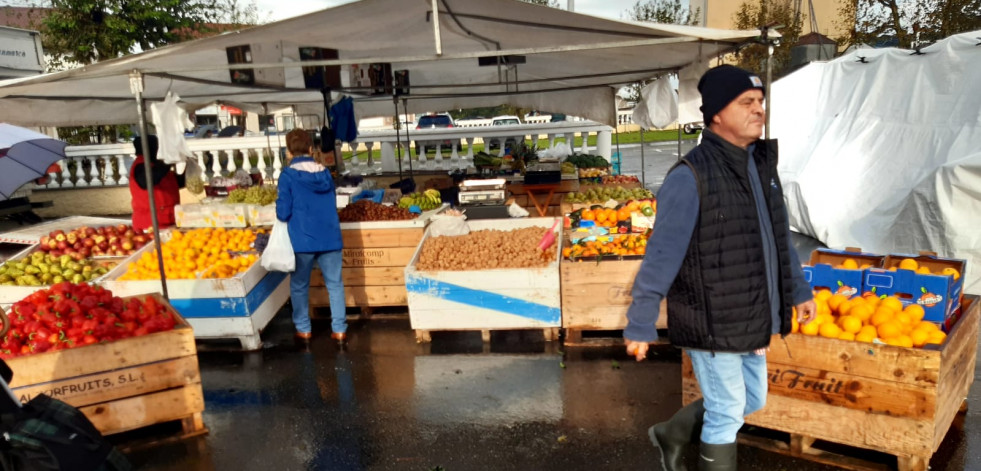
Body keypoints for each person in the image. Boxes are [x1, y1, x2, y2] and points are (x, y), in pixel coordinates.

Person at [623, 65, 817, 471]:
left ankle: (672, 433)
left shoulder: (761, 167)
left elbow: (778, 235)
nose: (758, 110)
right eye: (746, 103)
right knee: (728, 410)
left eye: (760, 102)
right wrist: (641, 322)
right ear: (716, 114)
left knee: (752, 400)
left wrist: (797, 290)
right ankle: (687, 443)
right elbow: (662, 255)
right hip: (711, 316)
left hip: (750, 311)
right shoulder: (691, 175)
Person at [275, 128, 347, 343]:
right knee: (335, 284)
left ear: (288, 152)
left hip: (302, 239)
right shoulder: (325, 174)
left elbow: (283, 212)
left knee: (299, 285)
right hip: (330, 236)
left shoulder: (287, 176)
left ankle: (304, 329)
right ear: (310, 149)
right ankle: (340, 329)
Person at [129, 135, 185, 232]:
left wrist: (187, 167)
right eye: (156, 146)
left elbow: (178, 183)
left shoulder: (157, 165)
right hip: (150, 225)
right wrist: (168, 162)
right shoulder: (140, 166)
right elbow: (148, 181)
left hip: (170, 220)